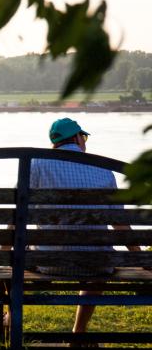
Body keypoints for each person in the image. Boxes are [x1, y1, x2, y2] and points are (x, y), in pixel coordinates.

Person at [30, 117, 140, 336]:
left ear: (55, 143)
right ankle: (78, 330)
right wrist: (140, 257)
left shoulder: (36, 165)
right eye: (84, 137)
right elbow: (119, 221)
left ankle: (10, 315)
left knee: (16, 258)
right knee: (99, 261)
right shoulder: (103, 169)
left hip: (48, 262)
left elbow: (19, 215)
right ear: (77, 138)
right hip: (96, 263)